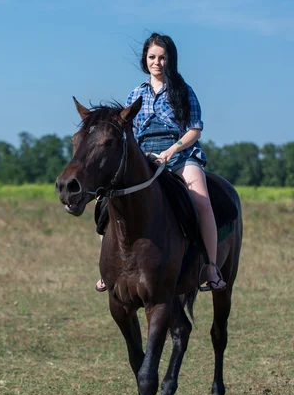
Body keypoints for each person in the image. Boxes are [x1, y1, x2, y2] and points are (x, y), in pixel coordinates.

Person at [96, 33, 225, 292]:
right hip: (143, 158)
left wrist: (171, 151)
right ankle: (106, 268)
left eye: (162, 57)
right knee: (104, 202)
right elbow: (127, 132)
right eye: (152, 57)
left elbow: (195, 130)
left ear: (170, 60)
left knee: (202, 201)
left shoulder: (183, 90)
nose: (157, 62)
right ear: (145, 59)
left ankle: (210, 266)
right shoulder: (135, 93)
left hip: (179, 155)